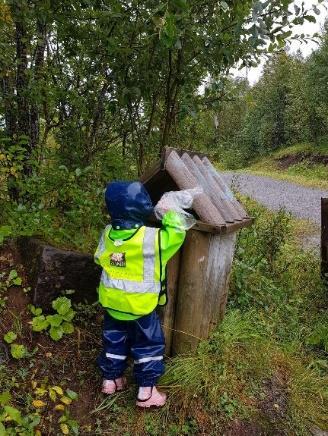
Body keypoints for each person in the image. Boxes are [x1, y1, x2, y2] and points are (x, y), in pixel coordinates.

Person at [94, 181, 186, 408]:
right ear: (142, 207)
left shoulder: (107, 234)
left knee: (113, 340)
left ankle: (111, 380)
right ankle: (146, 393)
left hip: (112, 304)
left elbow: (99, 258)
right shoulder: (151, 239)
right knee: (148, 346)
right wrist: (171, 212)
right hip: (140, 307)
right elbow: (176, 234)